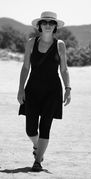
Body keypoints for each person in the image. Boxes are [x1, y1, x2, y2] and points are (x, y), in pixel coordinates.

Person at [17, 11, 72, 172]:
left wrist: (68, 88)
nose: (48, 25)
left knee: (45, 126)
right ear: (39, 26)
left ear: (55, 27)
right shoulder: (31, 43)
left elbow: (64, 69)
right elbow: (26, 67)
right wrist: (21, 88)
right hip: (32, 89)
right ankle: (37, 146)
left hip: (52, 91)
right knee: (30, 129)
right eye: (45, 22)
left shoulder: (60, 45)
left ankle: (38, 161)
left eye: (51, 23)